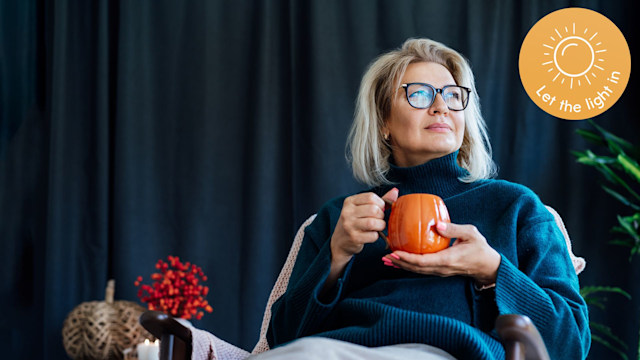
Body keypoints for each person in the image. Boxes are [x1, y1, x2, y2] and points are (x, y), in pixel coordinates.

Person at [259, 38, 590, 359]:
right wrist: (335, 258)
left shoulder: (516, 207)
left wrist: (491, 269)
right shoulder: (343, 219)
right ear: (384, 121)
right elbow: (282, 340)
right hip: (337, 350)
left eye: (452, 95)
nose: (441, 106)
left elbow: (572, 342)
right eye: (419, 94)